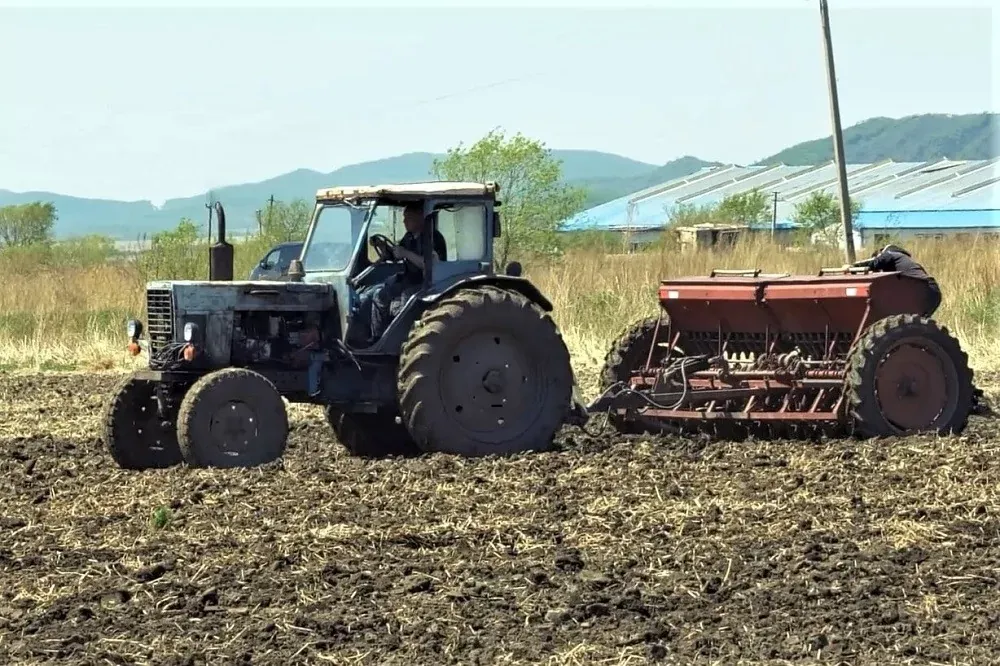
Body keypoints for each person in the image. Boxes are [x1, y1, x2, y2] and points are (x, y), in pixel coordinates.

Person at [355, 204, 447, 345]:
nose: (404, 221)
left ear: (420, 218)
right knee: (379, 295)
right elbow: (397, 254)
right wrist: (384, 248)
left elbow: (429, 264)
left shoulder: (433, 238)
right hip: (409, 278)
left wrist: (405, 253)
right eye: (404, 218)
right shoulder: (409, 236)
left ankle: (405, 340)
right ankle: (378, 338)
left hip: (428, 282)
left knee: (406, 297)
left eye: (408, 218)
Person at [849, 243, 941, 316]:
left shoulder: (891, 254)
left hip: (923, 290)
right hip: (932, 291)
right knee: (915, 326)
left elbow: (875, 262)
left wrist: (853, 266)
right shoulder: (906, 261)